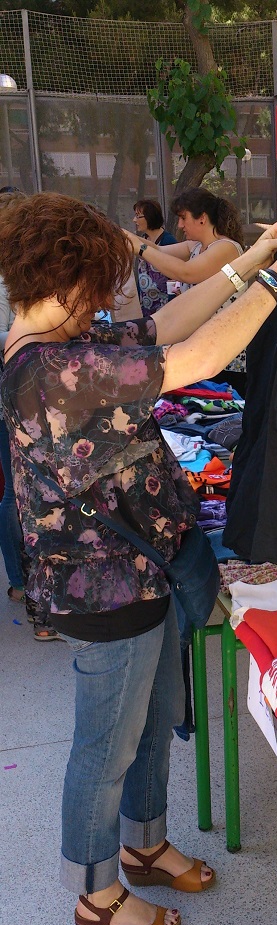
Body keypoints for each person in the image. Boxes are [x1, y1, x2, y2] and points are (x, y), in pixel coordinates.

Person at [0, 191, 277, 925]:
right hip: (102, 590)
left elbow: (167, 324)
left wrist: (250, 261)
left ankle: (143, 846)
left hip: (138, 570)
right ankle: (96, 896)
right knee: (104, 748)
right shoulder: (50, 368)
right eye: (95, 287)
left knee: (146, 725)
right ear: (66, 278)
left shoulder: (63, 340)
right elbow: (193, 359)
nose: (102, 303)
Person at [0, 188, 60, 639]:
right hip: (15, 390)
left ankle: (28, 588)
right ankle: (32, 591)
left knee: (23, 490)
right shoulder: (12, 275)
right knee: (30, 493)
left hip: (21, 388)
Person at [125, 187, 249, 396]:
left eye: (184, 218)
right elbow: (159, 250)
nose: (180, 225)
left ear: (202, 218)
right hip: (203, 351)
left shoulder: (226, 248)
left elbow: (186, 272)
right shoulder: (195, 246)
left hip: (227, 355)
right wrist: (126, 238)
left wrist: (139, 247)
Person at [132, 198, 177, 317]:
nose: (134, 220)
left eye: (138, 216)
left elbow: (176, 275)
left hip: (165, 306)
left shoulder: (168, 241)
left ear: (150, 217)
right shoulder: (143, 239)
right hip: (145, 305)